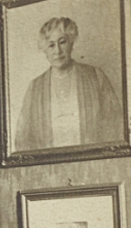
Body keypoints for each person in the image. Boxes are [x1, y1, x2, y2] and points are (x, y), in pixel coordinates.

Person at [14, 17, 123, 151]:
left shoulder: (95, 76)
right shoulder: (35, 87)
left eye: (62, 42)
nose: (58, 51)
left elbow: (115, 125)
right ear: (44, 50)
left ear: (71, 42)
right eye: (51, 45)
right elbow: (23, 138)